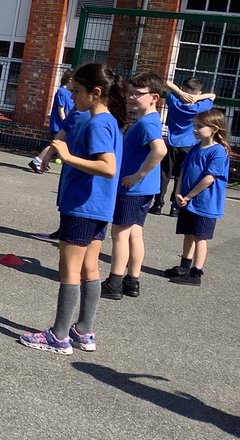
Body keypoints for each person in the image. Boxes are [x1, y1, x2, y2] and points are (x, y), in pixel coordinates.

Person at [20, 63, 125, 355]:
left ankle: (59, 335)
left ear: (96, 92)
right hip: (98, 206)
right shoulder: (108, 121)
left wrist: (66, 156)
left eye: (77, 91)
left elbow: (107, 167)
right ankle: (84, 331)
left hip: (82, 206)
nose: (72, 96)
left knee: (69, 270)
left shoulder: (98, 123)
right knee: (90, 268)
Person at [102, 73, 168, 300]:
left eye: (138, 94)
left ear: (154, 98)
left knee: (119, 234)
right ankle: (132, 281)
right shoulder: (146, 120)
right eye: (130, 92)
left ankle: (115, 282)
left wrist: (137, 175)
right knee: (135, 234)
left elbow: (160, 150)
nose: (131, 97)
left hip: (133, 188)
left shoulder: (148, 122)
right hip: (144, 189)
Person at [166, 107, 231, 287]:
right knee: (188, 233)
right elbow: (184, 171)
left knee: (199, 237)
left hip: (205, 203)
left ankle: (196, 272)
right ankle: (184, 266)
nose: (195, 129)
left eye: (200, 126)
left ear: (214, 129)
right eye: (195, 125)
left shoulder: (218, 151)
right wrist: (179, 192)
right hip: (188, 201)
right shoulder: (195, 148)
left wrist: (189, 195)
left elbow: (209, 178)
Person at [155, 77, 216, 215]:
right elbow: (212, 96)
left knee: (164, 174)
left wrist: (181, 93)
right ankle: (175, 207)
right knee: (181, 176)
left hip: (171, 142)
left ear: (183, 89)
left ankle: (158, 204)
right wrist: (196, 97)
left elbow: (168, 84)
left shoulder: (174, 100)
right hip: (189, 144)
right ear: (198, 93)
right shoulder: (200, 106)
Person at [29, 69, 74, 173]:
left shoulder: (69, 93)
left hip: (63, 125)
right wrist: (65, 124)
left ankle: (43, 162)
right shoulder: (61, 92)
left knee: (56, 146)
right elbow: (61, 110)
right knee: (55, 146)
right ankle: (38, 161)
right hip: (59, 125)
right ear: (70, 80)